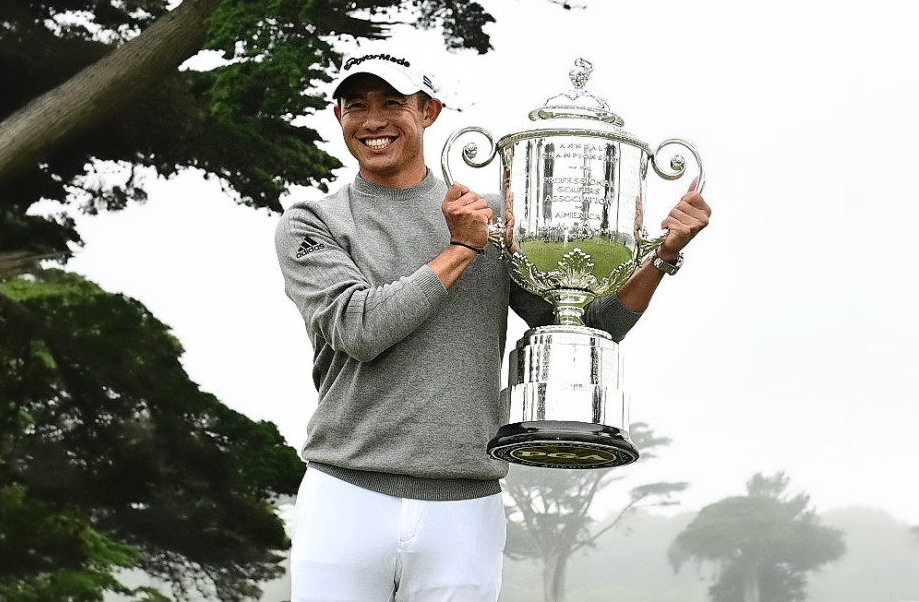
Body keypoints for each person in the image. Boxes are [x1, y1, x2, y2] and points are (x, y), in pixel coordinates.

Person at [273, 51, 711, 601]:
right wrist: (460, 249)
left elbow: (584, 323)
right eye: (355, 105)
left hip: (466, 505)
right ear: (338, 116)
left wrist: (661, 257)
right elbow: (358, 328)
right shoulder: (314, 222)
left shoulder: (497, 218)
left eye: (392, 103)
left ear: (429, 111)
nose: (373, 121)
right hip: (346, 492)